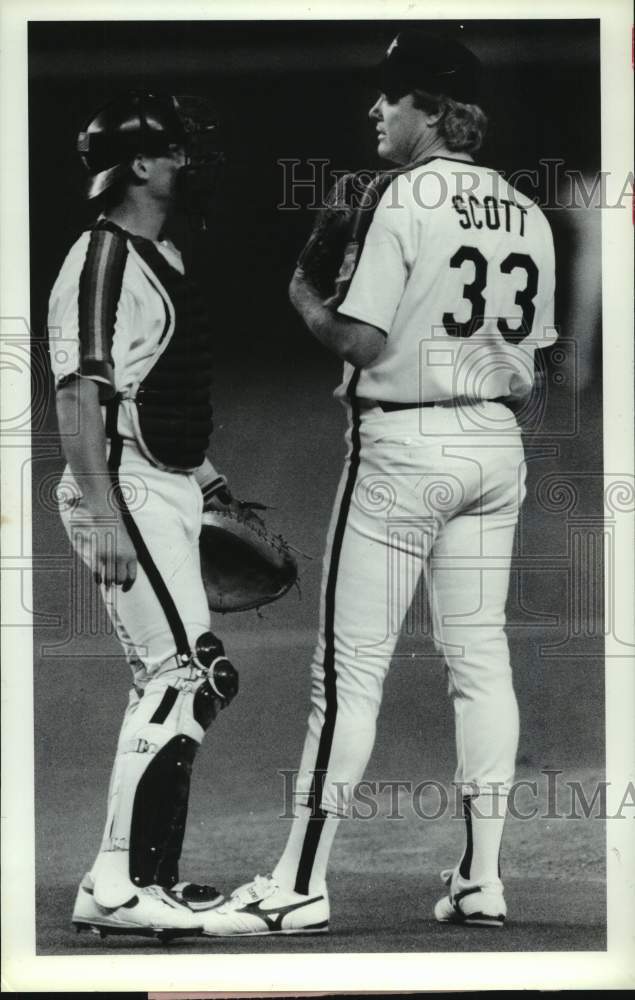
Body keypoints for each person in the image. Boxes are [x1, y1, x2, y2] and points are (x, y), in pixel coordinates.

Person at [201, 30, 556, 937]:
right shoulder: (526, 209)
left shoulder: (399, 196)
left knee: (346, 674)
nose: (375, 108)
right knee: (480, 662)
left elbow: (360, 341)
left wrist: (301, 293)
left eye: (391, 96)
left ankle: (298, 883)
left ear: (430, 110)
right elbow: (534, 360)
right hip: (496, 445)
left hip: (404, 448)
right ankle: (482, 880)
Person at [49, 91, 241, 939]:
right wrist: (104, 515)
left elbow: (159, 394)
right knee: (183, 677)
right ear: (139, 165)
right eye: (176, 151)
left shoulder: (163, 253)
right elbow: (78, 397)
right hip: (120, 489)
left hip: (160, 482)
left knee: (180, 682)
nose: (188, 163)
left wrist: (208, 483)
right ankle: (119, 885)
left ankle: (142, 880)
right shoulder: (102, 257)